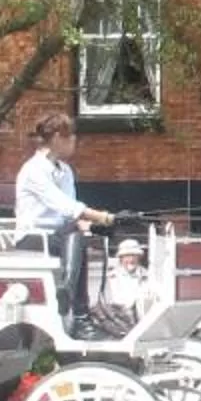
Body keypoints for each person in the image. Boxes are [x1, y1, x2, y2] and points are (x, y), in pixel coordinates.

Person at [14, 111, 118, 329]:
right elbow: (65, 206)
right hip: (32, 239)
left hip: (59, 237)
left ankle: (74, 303)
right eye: (70, 137)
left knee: (76, 235)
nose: (74, 141)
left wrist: (94, 225)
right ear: (57, 138)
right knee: (74, 237)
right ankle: (77, 309)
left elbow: (69, 214)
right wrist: (104, 216)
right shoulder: (33, 170)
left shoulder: (66, 171)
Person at [102, 235, 154, 327]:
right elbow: (107, 305)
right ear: (121, 258)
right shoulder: (110, 278)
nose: (130, 259)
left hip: (145, 324)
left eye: (133, 255)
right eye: (126, 256)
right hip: (119, 324)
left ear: (139, 257)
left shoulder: (149, 276)